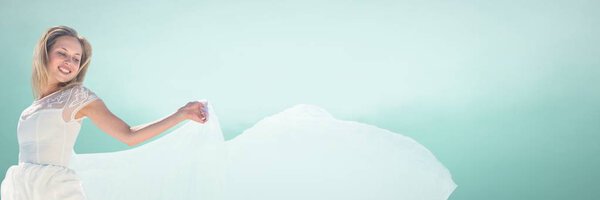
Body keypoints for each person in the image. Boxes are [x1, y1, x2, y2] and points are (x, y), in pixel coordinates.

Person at [0, 25, 209, 200]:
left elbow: (129, 134)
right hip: (21, 191)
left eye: (76, 58)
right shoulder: (31, 109)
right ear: (45, 54)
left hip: (55, 191)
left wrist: (180, 114)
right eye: (62, 53)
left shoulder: (77, 97)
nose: (69, 62)